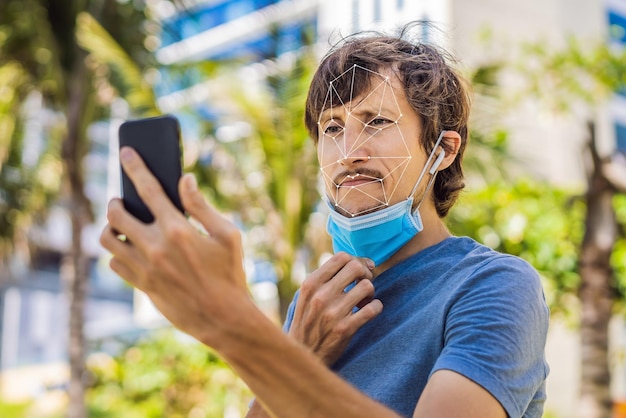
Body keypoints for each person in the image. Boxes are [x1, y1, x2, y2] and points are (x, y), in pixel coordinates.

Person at [100, 24, 549, 418]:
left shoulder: (493, 284)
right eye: (332, 128)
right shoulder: (315, 302)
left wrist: (230, 322)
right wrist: (298, 355)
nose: (348, 151)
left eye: (375, 121)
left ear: (443, 150)